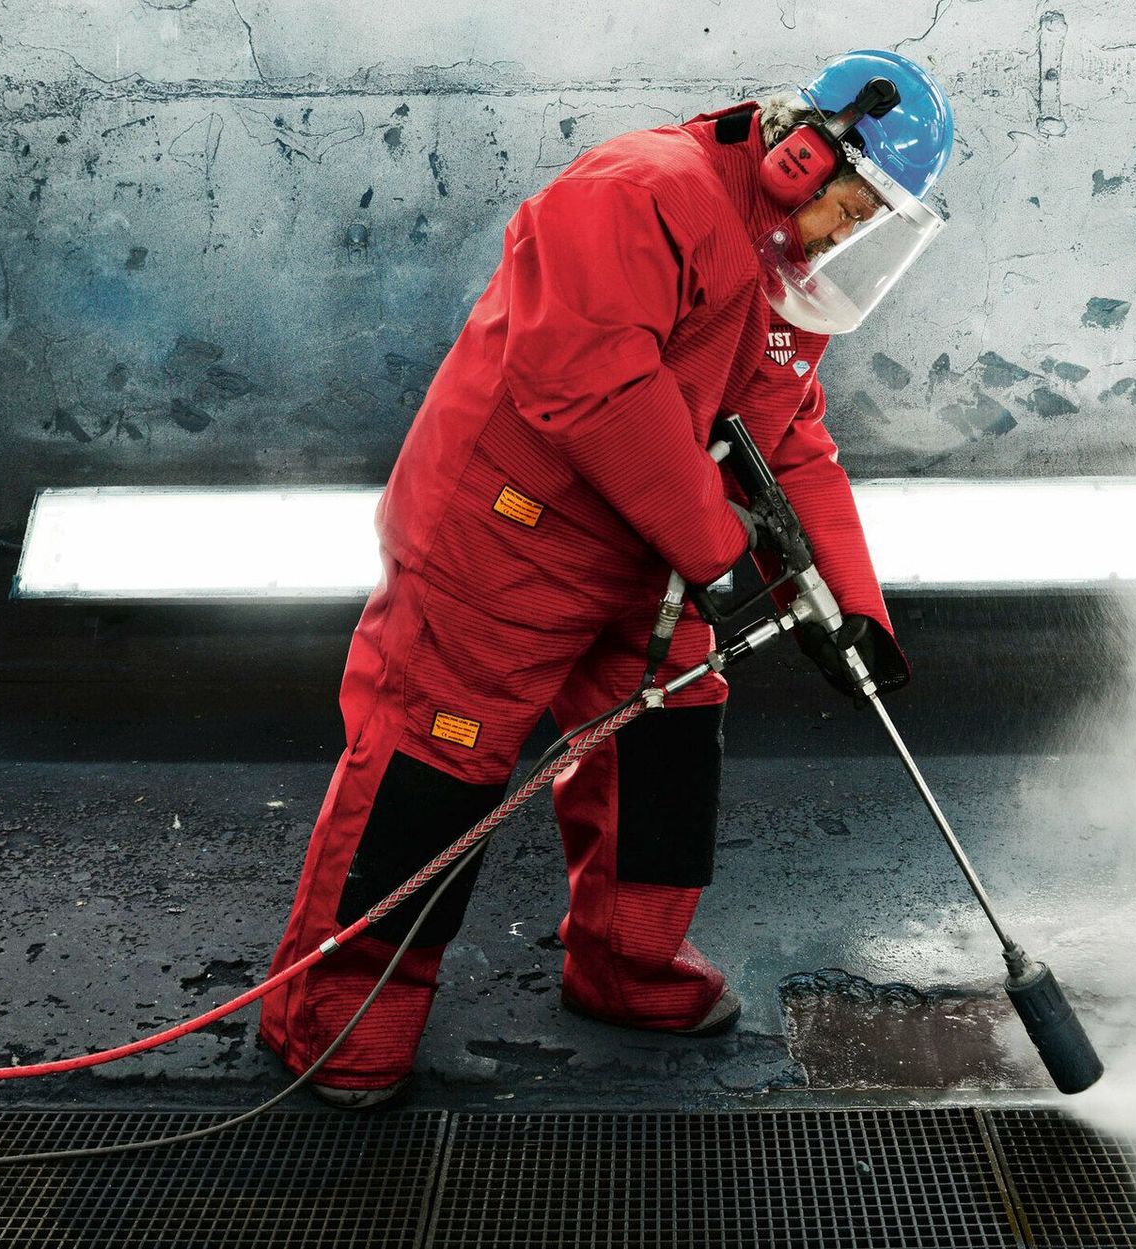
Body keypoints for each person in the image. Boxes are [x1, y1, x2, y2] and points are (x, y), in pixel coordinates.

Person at [258, 49, 956, 1108]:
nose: (847, 238)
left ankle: (627, 968)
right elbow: (591, 389)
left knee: (669, 743)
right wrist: (722, 557)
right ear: (804, 155)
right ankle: (342, 1019)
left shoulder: (777, 270)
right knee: (431, 770)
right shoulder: (638, 194)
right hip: (506, 543)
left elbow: (789, 438)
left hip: (653, 555)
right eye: (853, 209)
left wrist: (851, 611)